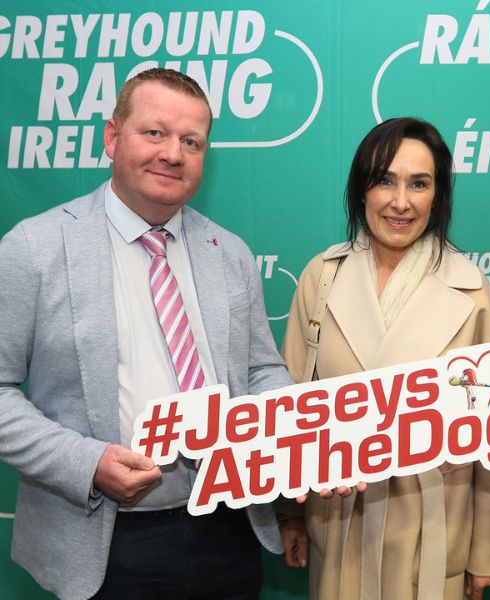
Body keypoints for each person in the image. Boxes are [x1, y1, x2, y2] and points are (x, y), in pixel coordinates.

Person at [0, 68, 291, 600]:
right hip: (106, 542)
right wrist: (86, 463)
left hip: (230, 528)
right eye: (154, 133)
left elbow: (261, 370)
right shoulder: (32, 250)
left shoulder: (229, 253)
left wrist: (298, 438)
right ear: (113, 137)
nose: (173, 154)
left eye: (191, 141)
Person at [279, 117, 490, 600]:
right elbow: (292, 406)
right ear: (360, 191)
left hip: (436, 529)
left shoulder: (472, 290)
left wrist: (489, 549)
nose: (401, 201)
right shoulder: (321, 277)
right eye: (384, 181)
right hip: (339, 519)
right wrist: (290, 514)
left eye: (419, 183)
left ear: (437, 196)